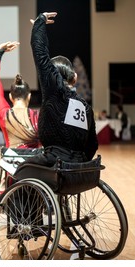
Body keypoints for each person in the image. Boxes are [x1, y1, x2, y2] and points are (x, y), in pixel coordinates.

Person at [18, 12, 98, 167]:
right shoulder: (86, 108)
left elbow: (40, 54)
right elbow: (92, 144)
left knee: (20, 170)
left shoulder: (56, 93)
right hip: (80, 167)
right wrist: (78, 164)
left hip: (54, 161)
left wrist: (39, 23)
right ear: (74, 78)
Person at [0, 41, 40, 149]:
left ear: (10, 97)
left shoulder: (5, 115)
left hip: (11, 164)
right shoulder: (38, 116)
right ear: (29, 96)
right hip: (34, 164)